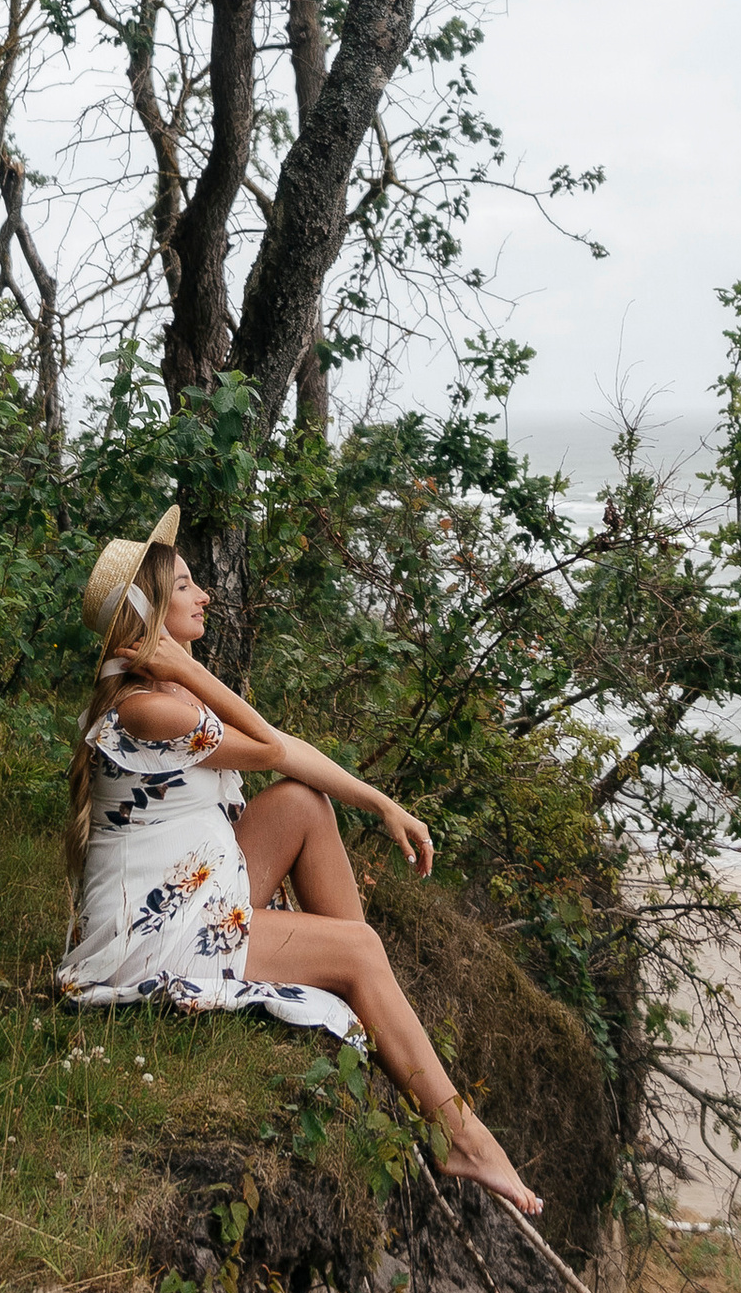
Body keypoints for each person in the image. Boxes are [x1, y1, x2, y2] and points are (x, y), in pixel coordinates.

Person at [57, 504, 542, 1215]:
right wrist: (178, 668)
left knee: (300, 806)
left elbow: (285, 755)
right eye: (186, 586)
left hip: (193, 890)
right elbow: (271, 742)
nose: (205, 595)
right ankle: (458, 1133)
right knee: (357, 944)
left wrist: (381, 804)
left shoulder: (160, 695)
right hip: (154, 937)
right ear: (151, 613)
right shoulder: (146, 709)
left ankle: (363, 988)